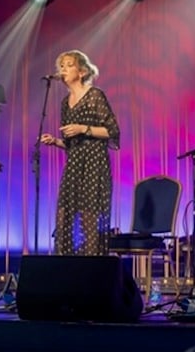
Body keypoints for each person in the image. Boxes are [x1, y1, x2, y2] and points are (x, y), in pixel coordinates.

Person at [40, 49, 120, 255]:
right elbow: (71, 144)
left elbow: (112, 132)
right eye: (61, 66)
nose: (63, 69)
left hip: (94, 164)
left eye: (69, 65)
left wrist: (83, 128)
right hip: (75, 165)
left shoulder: (95, 96)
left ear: (82, 71)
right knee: (65, 215)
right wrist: (56, 141)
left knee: (89, 218)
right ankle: (67, 271)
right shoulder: (65, 103)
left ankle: (92, 270)